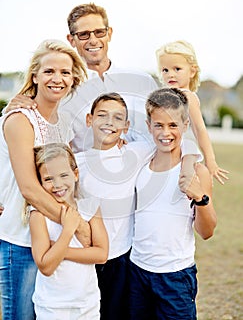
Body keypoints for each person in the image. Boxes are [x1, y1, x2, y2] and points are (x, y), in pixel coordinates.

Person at [75, 92, 203, 320]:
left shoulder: (135, 152)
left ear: (126, 126)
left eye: (117, 118)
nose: (109, 123)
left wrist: (189, 164)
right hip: (87, 257)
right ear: (89, 119)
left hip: (122, 257)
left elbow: (179, 139)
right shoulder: (77, 162)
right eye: (102, 115)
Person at [0, 39, 90, 320]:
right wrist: (77, 227)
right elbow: (29, 188)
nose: (57, 79)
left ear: (73, 78)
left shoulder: (63, 123)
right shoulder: (19, 119)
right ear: (35, 76)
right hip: (19, 239)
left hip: (51, 240)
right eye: (49, 71)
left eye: (65, 72)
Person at [6, 2, 158, 152]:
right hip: (87, 173)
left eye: (99, 32)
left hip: (144, 171)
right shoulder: (60, 92)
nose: (93, 40)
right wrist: (14, 106)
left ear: (109, 33)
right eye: (84, 34)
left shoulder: (143, 81)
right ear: (71, 39)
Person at [129, 88, 217, 319]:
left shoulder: (197, 172)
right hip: (137, 271)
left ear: (185, 125)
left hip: (175, 276)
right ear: (149, 126)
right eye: (158, 125)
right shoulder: (140, 165)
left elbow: (206, 232)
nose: (165, 132)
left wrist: (201, 198)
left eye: (173, 125)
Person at [29, 143, 108, 319]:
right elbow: (46, 266)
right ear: (40, 182)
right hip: (52, 307)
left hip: (86, 304)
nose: (57, 184)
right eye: (48, 179)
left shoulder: (89, 206)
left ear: (76, 174)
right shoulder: (38, 215)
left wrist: (58, 249)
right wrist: (68, 231)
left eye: (64, 175)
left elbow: (102, 254)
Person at [156, 40, 229, 184]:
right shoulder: (163, 96)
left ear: (192, 71)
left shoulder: (187, 96)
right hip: (165, 146)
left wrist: (211, 160)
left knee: (186, 182)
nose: (170, 74)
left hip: (184, 150)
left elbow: (200, 129)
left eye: (177, 69)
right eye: (165, 70)